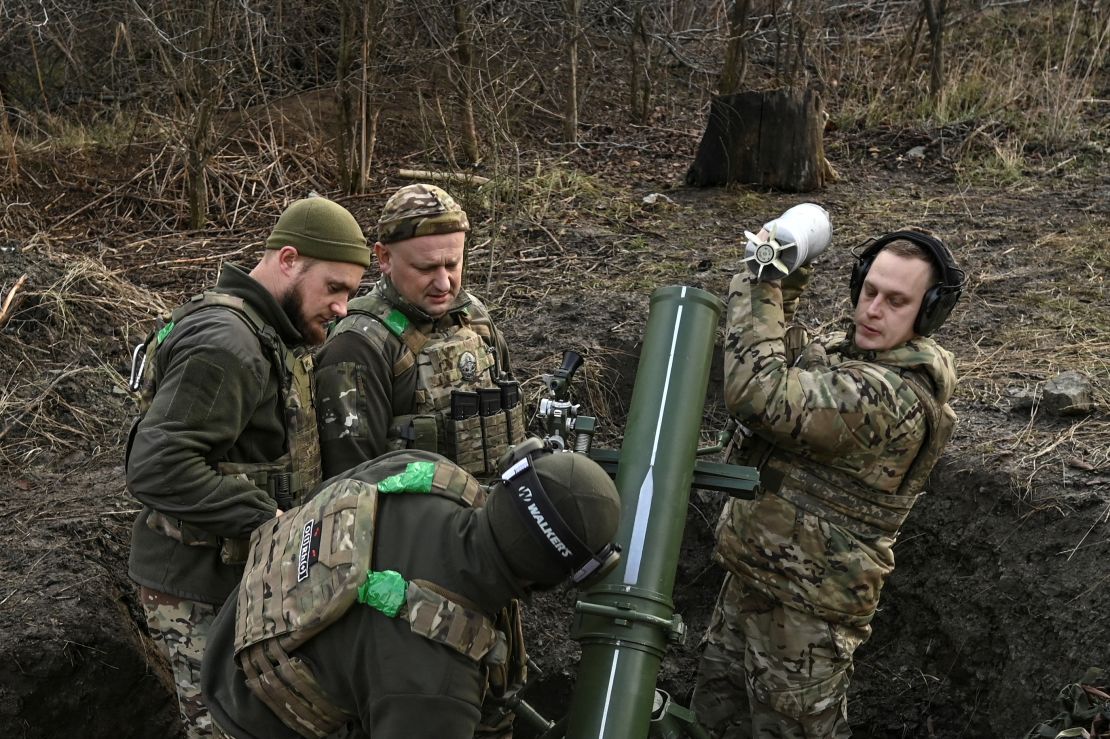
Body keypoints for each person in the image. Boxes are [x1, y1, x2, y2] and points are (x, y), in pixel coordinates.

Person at [691, 228, 964, 738]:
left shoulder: (889, 397)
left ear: (928, 313)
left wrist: (759, 283)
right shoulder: (848, 355)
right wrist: (783, 275)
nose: (873, 309)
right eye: (870, 291)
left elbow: (758, 392)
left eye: (896, 301)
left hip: (805, 621)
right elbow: (768, 348)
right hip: (752, 583)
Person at [125, 196, 370, 738]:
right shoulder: (228, 343)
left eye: (351, 294)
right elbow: (158, 466)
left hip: (239, 579)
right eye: (334, 288)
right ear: (288, 260)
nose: (342, 309)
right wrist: (273, 523)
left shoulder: (265, 329)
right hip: (199, 588)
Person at [199, 440, 622, 739]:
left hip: (236, 628)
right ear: (554, 580)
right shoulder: (436, 687)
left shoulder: (426, 472)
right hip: (252, 720)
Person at [315, 183, 523, 481]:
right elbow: (350, 488)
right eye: (426, 268)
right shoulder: (357, 347)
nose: (443, 283)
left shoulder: (472, 314)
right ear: (384, 258)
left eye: (452, 264)